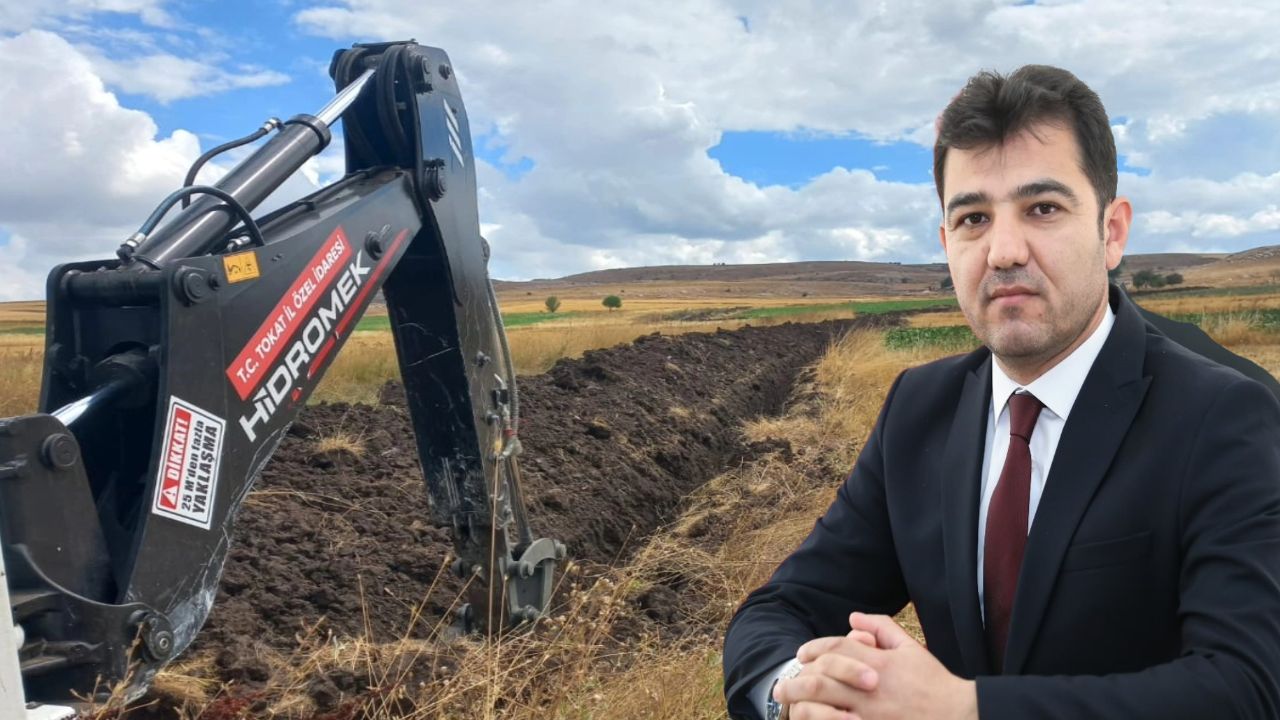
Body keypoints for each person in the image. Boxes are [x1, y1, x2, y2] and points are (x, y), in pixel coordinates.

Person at [722, 65, 1280, 720]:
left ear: (1112, 231)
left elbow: (1247, 687)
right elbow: (782, 609)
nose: (1003, 251)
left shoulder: (1223, 416)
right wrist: (797, 696)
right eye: (973, 218)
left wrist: (964, 709)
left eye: (1042, 209)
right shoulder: (918, 410)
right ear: (946, 243)